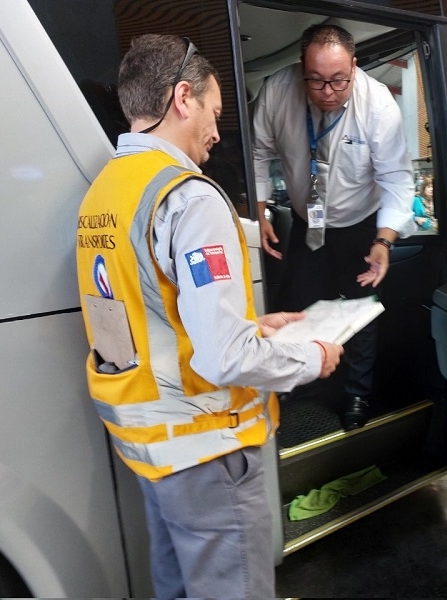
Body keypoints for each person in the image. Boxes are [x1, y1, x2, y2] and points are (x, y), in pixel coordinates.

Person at [75, 34, 343, 599]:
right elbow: (224, 357)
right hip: (208, 450)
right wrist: (312, 356)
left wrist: (257, 327)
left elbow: (155, 316)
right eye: (215, 113)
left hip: (155, 452)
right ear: (181, 98)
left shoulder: (105, 194)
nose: (218, 133)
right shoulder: (189, 198)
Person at [252, 24, 415, 431]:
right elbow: (257, 152)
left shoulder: (378, 105)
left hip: (361, 224)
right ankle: (299, 386)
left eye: (339, 80)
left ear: (354, 68)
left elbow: (397, 180)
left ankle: (357, 394)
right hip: (308, 222)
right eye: (317, 80)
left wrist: (384, 241)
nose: (328, 91)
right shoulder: (277, 91)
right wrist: (257, 211)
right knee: (299, 304)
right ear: (301, 69)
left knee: (361, 311)